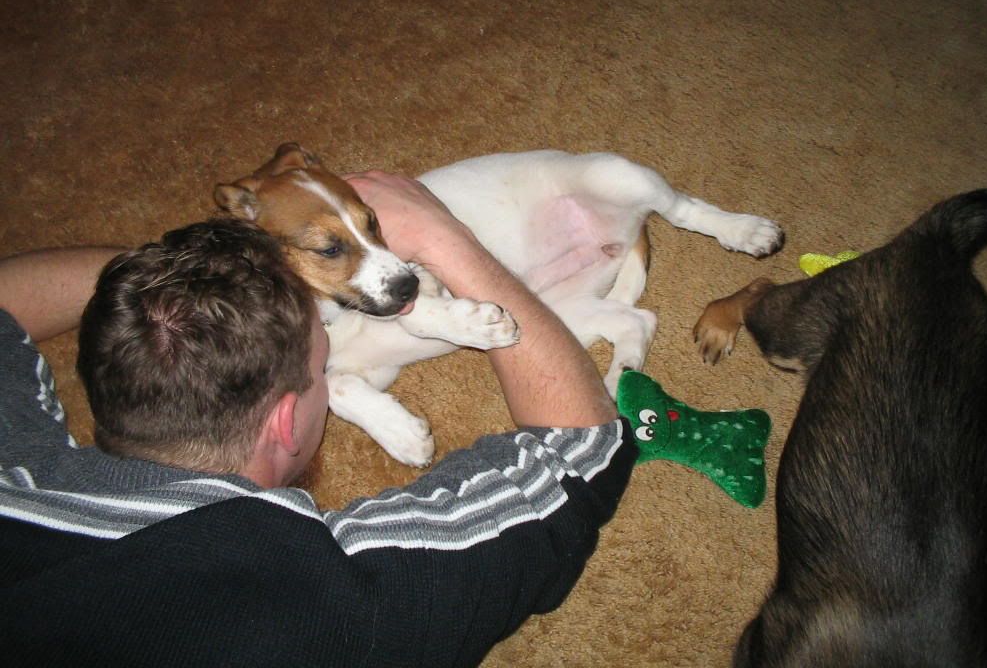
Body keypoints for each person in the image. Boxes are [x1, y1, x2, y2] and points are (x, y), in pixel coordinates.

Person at [0, 171, 638, 667]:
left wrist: (188, 285)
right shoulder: (337, 605)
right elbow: (583, 451)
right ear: (286, 422)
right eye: (322, 350)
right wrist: (446, 241)